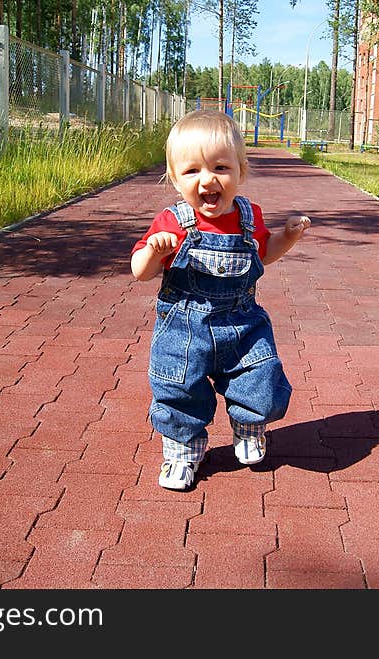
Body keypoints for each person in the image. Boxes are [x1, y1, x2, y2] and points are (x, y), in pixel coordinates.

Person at [131, 109, 311, 490]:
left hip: (242, 322)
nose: (207, 180)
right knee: (179, 389)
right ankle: (181, 449)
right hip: (184, 328)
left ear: (240, 172)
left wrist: (287, 239)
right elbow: (140, 271)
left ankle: (248, 423)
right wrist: (153, 252)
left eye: (220, 168)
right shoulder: (172, 222)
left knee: (260, 375)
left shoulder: (249, 216)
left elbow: (261, 254)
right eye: (192, 170)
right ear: (174, 178)